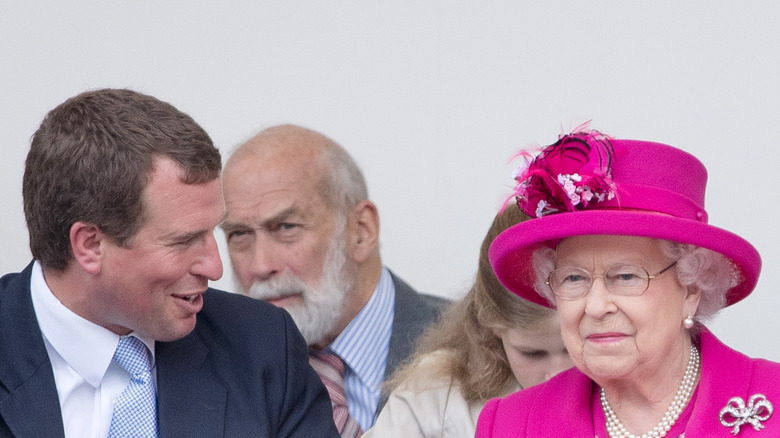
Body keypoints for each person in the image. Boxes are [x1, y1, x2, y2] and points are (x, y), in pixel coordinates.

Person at [0, 89, 338, 438]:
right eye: (183, 241)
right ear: (90, 245)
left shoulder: (262, 349)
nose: (215, 268)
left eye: (213, 233)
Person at [475, 127, 780, 437]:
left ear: (691, 289)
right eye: (574, 278)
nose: (595, 307)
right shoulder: (510, 424)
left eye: (626, 277)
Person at [221, 124, 447, 434]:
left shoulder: (476, 346)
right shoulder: (214, 368)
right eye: (239, 234)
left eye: (286, 227)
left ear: (361, 230)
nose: (261, 265)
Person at [363, 203, 572, 438]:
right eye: (532, 353)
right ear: (492, 324)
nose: (557, 374)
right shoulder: (434, 395)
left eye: (573, 349)